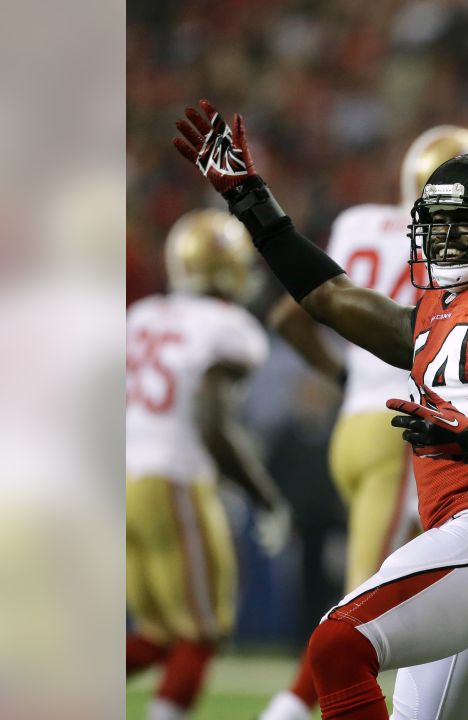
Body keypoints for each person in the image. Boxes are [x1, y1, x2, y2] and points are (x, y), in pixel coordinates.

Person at [173, 100, 468, 720]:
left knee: (338, 642)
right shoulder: (438, 312)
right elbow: (329, 295)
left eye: (466, 225)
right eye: (439, 225)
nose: (448, 239)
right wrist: (250, 197)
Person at [260, 125, 468, 720]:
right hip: (402, 426)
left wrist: (342, 378)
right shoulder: (457, 241)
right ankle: (288, 708)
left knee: (412, 581)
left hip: (352, 423)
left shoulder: (361, 221)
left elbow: (293, 313)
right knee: (371, 595)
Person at [126, 208, 291, 720]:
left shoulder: (144, 313)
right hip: (171, 477)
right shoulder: (230, 327)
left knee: (159, 633)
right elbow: (212, 423)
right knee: (203, 631)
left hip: (123, 474)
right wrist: (265, 495)